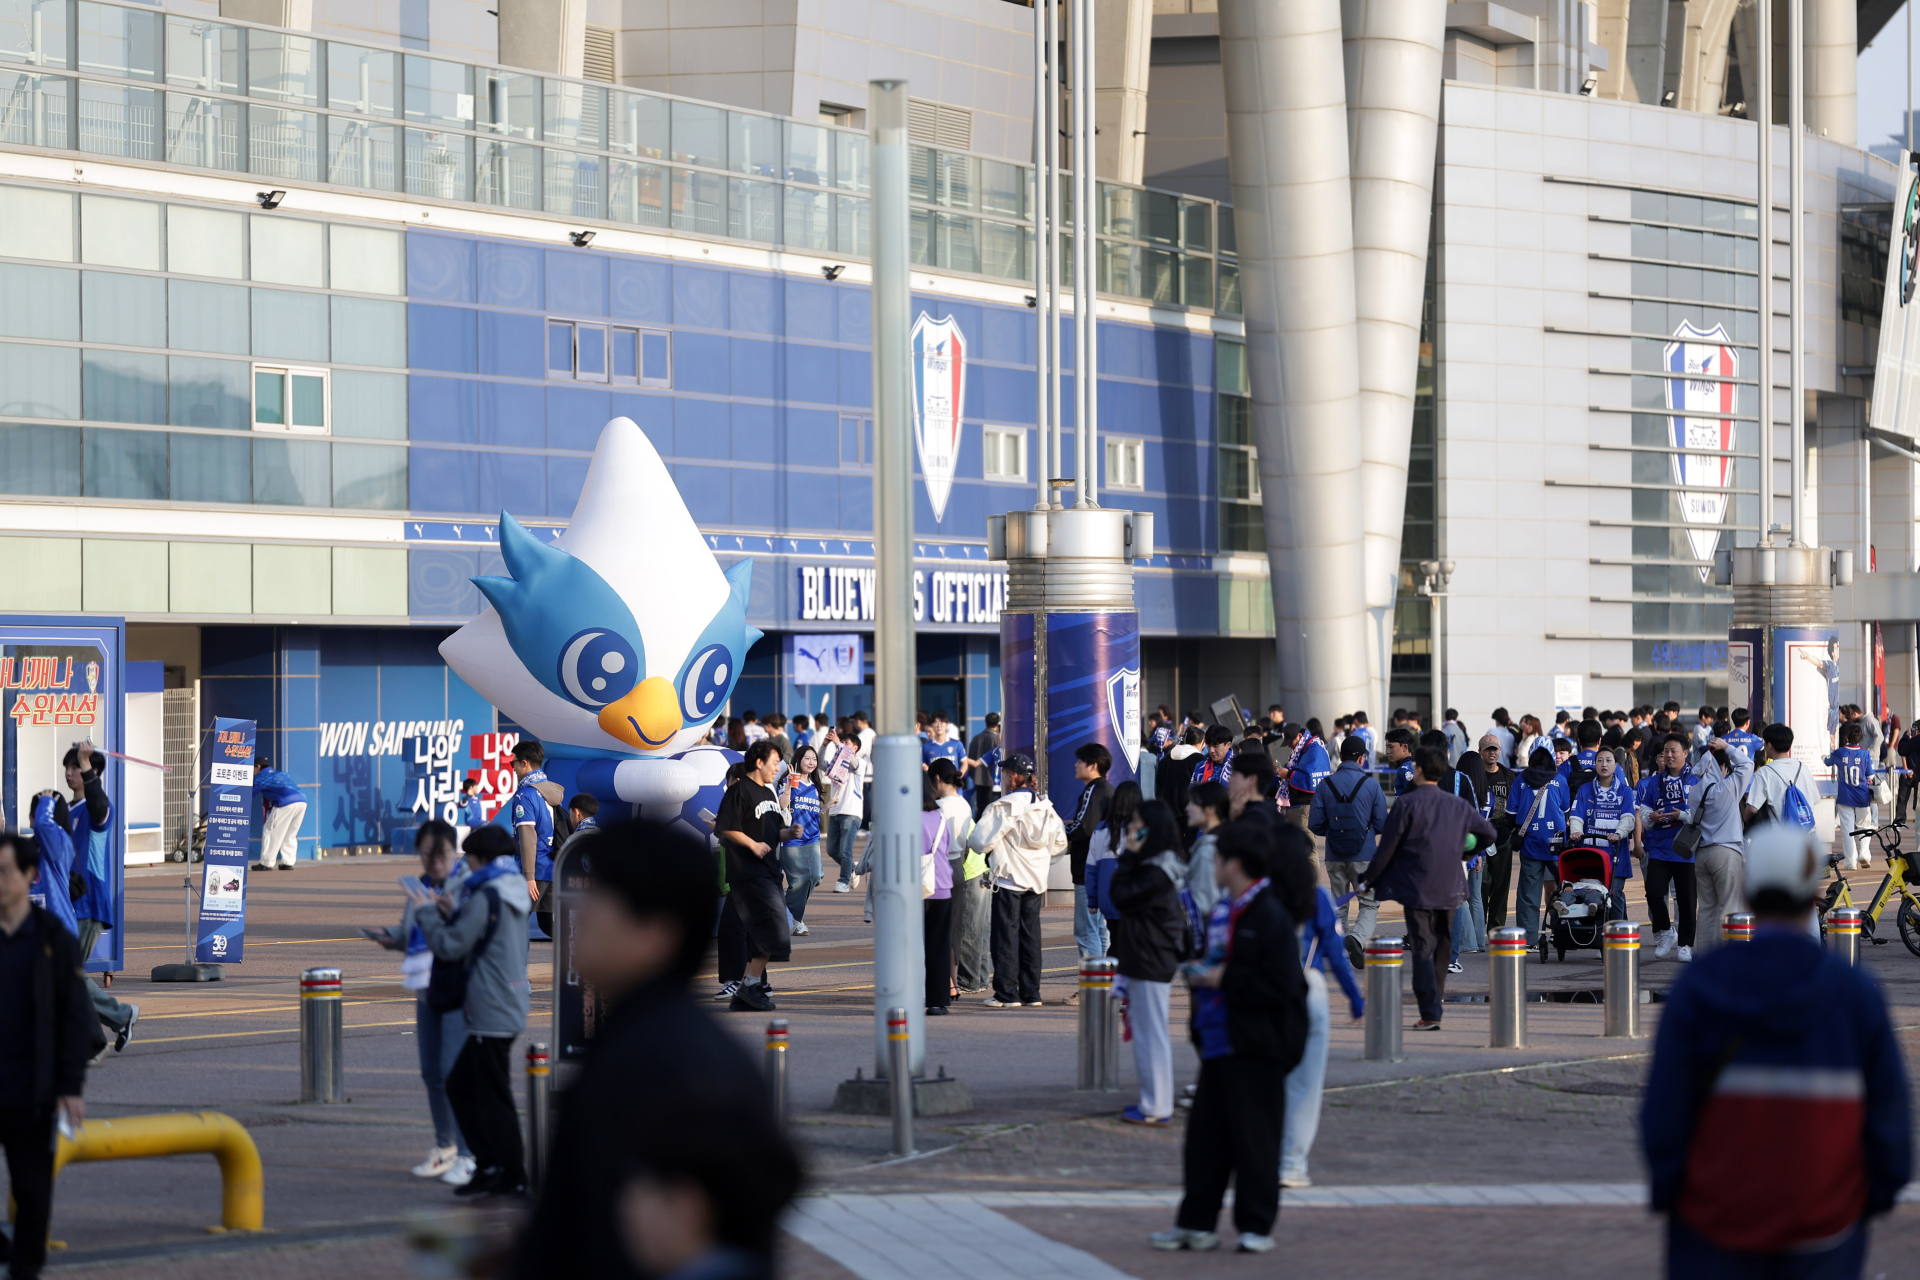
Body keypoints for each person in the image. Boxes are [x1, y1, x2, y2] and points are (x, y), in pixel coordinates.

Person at [510, 819, 801, 1280]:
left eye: (600, 901)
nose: (578, 914)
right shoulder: (667, 1038)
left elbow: (600, 1229)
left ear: (656, 933)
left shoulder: (647, 1061)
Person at [1640, 822, 1911, 1278]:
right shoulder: (1854, 994)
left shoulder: (1699, 988)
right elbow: (1888, 1115)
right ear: (1814, 897)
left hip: (1713, 1230)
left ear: (1747, 894)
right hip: (1824, 1231)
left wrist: (1673, 1194)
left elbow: (1665, 1111)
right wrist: (1872, 1198)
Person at [1151, 826, 1307, 1256]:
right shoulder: (1225, 911)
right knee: (1205, 1141)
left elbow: (1284, 985)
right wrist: (1205, 976)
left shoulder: (1268, 914)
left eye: (1218, 858)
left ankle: (1256, 1226)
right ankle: (1195, 1224)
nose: (1212, 865)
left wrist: (1224, 977)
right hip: (1220, 1042)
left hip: (1257, 1046)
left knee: (1256, 1140)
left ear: (1234, 865)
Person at [410, 825, 531, 1200]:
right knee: (464, 1086)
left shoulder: (485, 893)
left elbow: (451, 945)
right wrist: (455, 911)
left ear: (481, 859)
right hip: (506, 999)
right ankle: (490, 1165)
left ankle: (511, 1173)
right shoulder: (509, 887)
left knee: (492, 1095)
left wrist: (427, 913)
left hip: (491, 1005)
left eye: (470, 858)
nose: (467, 865)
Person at [0, 830, 95, 1280]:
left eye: (5, 873)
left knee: (33, 1193)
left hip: (31, 1093)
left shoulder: (52, 938)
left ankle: (26, 1269)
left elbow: (74, 1016)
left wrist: (70, 1087)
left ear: (30, 876)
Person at [366, 820, 474, 1187]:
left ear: (453, 851)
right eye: (426, 854)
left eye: (439, 854)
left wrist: (442, 911)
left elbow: (464, 935)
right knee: (431, 1072)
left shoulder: (465, 885)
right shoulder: (419, 887)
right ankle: (445, 1146)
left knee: (454, 1071)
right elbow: (412, 931)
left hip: (459, 988)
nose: (433, 862)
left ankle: (469, 1154)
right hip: (426, 986)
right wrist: (391, 936)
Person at [1362, 747, 1495, 1030]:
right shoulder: (1457, 804)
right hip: (1451, 886)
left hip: (1417, 887)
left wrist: (1368, 880)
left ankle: (1430, 1010)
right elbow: (1488, 833)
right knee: (1443, 948)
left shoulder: (1407, 804)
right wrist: (1465, 851)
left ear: (1419, 770)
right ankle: (1434, 1006)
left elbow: (1386, 850)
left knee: (1422, 948)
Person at [1279, 872, 1364, 1190]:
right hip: (1306, 986)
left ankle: (1259, 1156)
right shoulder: (1317, 896)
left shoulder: (1251, 893)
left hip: (1260, 989)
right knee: (1305, 1085)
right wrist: (1355, 1000)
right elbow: (1335, 953)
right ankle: (1291, 1164)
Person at [1110, 800, 1189, 1126]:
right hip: (1148, 956)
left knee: (1150, 1033)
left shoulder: (1157, 870)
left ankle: (1156, 1105)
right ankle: (1153, 1102)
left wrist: (1128, 856)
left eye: (1136, 824)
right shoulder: (1159, 865)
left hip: (1151, 957)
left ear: (1150, 829)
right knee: (1146, 1031)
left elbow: (1120, 895)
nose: (1130, 829)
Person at [969, 754, 1067, 1008]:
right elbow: (1060, 843)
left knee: (1005, 937)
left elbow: (979, 842)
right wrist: (1042, 858)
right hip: (1036, 881)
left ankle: (1006, 993)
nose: (1003, 776)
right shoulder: (1046, 808)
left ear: (1013, 775)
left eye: (1005, 772)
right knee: (1030, 936)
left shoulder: (1003, 807)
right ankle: (1031, 993)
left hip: (1008, 879)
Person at [714, 741, 799, 1014]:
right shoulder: (739, 791)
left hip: (769, 870)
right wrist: (752, 845)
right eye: (774, 763)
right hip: (748, 871)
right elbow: (726, 827)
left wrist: (790, 833)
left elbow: (774, 833)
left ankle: (749, 987)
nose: (777, 768)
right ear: (759, 762)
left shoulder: (769, 793)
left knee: (765, 932)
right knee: (772, 928)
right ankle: (750, 985)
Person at [1308, 735, 1387, 960]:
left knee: (1339, 903)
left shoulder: (1325, 784)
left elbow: (1315, 823)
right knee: (1369, 903)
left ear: (1340, 756)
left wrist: (1333, 833)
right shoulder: (1371, 785)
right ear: (1362, 758)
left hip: (1334, 854)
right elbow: (1382, 823)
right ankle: (1358, 938)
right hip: (1364, 854)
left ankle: (1339, 946)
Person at [1686, 739, 1753, 953]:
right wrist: (1728, 747)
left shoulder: (1694, 792)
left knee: (1707, 909)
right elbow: (1747, 765)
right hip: (1726, 853)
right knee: (1730, 907)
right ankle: (1731, 957)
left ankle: (1705, 958)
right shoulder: (1727, 787)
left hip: (1702, 855)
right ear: (1722, 767)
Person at [1637, 734, 1699, 962]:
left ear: (1686, 753)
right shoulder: (1655, 782)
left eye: (1674, 751)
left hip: (1686, 851)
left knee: (1687, 900)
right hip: (1659, 848)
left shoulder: (1695, 780)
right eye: (1666, 751)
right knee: (1654, 892)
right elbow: (1644, 813)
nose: (1669, 755)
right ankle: (1665, 932)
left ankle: (1685, 944)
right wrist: (1651, 817)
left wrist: (1681, 815)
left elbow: (1702, 815)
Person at [930, 759, 985, 993]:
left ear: (937, 779)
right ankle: (954, 982)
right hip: (959, 866)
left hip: (939, 866)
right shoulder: (964, 804)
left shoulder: (937, 806)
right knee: (955, 927)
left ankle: (944, 981)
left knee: (936, 927)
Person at [1569, 745, 1640, 923]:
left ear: (1616, 765)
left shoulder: (1624, 791)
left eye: (1609, 760)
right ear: (1595, 765)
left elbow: (1629, 818)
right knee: (1591, 892)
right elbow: (1576, 815)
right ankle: (1595, 932)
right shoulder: (1585, 789)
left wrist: (1619, 833)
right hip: (1590, 854)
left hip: (1616, 853)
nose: (1604, 764)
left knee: (1614, 893)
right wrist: (1576, 831)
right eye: (1600, 760)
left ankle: (1618, 931)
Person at [1508, 747, 1570, 944]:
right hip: (1556, 840)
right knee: (1564, 888)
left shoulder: (1520, 780)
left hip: (1531, 842)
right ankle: (1564, 934)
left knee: (1528, 894)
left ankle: (1529, 940)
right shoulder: (1560, 780)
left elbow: (1511, 813)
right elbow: (1566, 810)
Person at [507, 739, 564, 938]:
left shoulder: (525, 795)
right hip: (552, 868)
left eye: (513, 763)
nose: (513, 769)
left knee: (513, 923)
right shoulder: (550, 791)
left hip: (535, 870)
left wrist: (528, 876)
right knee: (547, 924)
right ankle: (583, 950)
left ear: (524, 763)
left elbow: (527, 836)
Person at [1064, 743, 1115, 960]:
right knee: (1101, 930)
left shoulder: (1093, 790)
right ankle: (1105, 976)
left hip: (1087, 868)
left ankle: (1092, 979)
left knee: (1086, 931)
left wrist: (1060, 830)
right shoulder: (1107, 789)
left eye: (1080, 761)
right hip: (1104, 868)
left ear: (1093, 766)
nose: (1076, 765)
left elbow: (1083, 827)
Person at [778, 744, 828, 936]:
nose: (811, 762)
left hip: (812, 838)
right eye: (807, 758)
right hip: (792, 839)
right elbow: (782, 806)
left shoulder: (815, 786)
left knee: (816, 877)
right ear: (798, 760)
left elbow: (811, 812)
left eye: (814, 759)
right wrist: (789, 785)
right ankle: (797, 922)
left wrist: (826, 807)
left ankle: (786, 902)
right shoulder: (789, 781)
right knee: (800, 880)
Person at [919, 775, 955, 1016]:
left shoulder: (904, 817)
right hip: (941, 884)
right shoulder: (940, 816)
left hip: (913, 887)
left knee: (910, 945)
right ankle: (938, 1000)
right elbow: (947, 847)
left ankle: (908, 994)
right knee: (939, 945)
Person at [1743, 723, 1819, 833]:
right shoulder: (1803, 768)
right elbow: (1815, 799)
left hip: (1782, 838)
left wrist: (1744, 818)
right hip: (1808, 835)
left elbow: (1752, 809)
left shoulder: (1765, 772)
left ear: (1770, 745)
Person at [1477, 735, 1519, 930]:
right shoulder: (1474, 776)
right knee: (1482, 885)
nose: (1492, 752)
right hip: (1481, 841)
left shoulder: (1510, 776)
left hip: (1503, 839)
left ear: (1500, 751)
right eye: (1487, 749)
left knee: (1501, 887)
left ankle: (1496, 928)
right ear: (1480, 751)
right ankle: (1479, 927)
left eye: (1495, 749)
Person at [1826, 721, 1877, 870]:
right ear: (1860, 737)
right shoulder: (1865, 754)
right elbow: (1871, 776)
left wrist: (1824, 755)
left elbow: (1828, 761)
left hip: (1845, 796)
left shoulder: (1840, 752)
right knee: (1865, 826)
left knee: (1847, 829)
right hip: (1862, 796)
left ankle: (1850, 861)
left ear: (1847, 736)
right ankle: (1864, 854)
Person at [1183, 781, 1231, 940]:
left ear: (1211, 809)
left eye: (1193, 803)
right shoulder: (1226, 840)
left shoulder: (1207, 851)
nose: (1187, 808)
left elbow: (1205, 906)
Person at [248, 754, 307, 871]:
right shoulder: (281, 773)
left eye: (254, 768)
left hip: (285, 803)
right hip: (302, 801)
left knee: (270, 831)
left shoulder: (261, 776)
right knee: (290, 834)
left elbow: (250, 793)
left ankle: (266, 863)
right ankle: (288, 862)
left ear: (258, 766)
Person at [825, 725, 865, 892]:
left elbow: (852, 762)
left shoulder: (860, 762)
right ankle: (853, 868)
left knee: (845, 849)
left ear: (855, 748)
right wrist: (824, 745)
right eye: (842, 742)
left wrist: (837, 743)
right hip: (835, 811)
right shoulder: (836, 763)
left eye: (846, 743)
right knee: (831, 849)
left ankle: (843, 881)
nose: (842, 744)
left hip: (851, 812)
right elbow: (820, 763)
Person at [1159, 727, 1204, 840]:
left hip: (1168, 811)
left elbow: (1159, 783)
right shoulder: (1200, 760)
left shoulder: (1166, 758)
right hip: (1189, 812)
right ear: (1199, 743)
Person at [967, 712, 1001, 819]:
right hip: (994, 783)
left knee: (981, 810)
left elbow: (974, 762)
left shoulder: (976, 738)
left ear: (986, 723)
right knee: (992, 812)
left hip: (978, 780)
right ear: (997, 725)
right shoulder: (997, 741)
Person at [1895, 715, 1920, 824]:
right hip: (1908, 770)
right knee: (1902, 797)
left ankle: (1917, 818)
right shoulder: (1910, 737)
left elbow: (1902, 749)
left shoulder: (1914, 738)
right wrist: (1905, 768)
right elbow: (1904, 754)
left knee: (1917, 801)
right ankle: (1900, 819)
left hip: (1916, 772)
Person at [1381, 727, 1416, 795]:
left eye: (1391, 747)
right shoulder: (1411, 765)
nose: (1388, 751)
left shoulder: (1405, 768)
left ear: (1405, 747)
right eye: (1387, 747)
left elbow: (1415, 795)